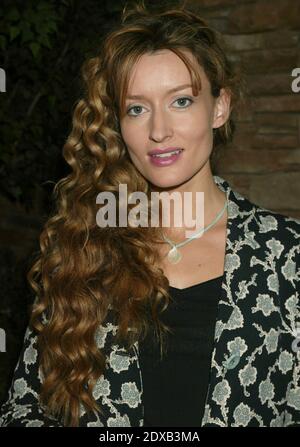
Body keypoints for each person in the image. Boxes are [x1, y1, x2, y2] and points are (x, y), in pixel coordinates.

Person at [0, 1, 299, 428]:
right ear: (118, 124)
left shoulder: (287, 256)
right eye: (136, 108)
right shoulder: (84, 247)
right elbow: (24, 406)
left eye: (180, 101)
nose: (158, 131)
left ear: (219, 108)